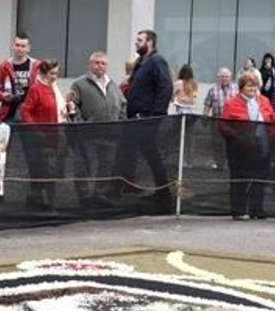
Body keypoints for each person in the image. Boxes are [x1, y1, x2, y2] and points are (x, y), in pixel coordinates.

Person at [116, 30, 173, 205]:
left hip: (146, 118)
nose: (136, 43)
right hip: (134, 117)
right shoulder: (140, 62)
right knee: (128, 152)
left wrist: (156, 114)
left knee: (151, 154)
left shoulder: (157, 61)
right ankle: (124, 186)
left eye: (140, 40)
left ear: (150, 42)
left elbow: (166, 87)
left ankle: (164, 194)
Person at [67, 50, 125, 208]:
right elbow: (73, 107)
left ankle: (100, 194)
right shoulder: (79, 84)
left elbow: (122, 104)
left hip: (111, 134)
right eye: (97, 63)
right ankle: (84, 196)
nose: (100, 66)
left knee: (106, 165)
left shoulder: (112, 84)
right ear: (90, 64)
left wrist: (120, 122)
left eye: (103, 63)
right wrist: (83, 124)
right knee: (84, 165)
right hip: (89, 134)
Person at [219, 70, 275, 220]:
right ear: (241, 87)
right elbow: (223, 125)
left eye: (255, 86)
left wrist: (272, 136)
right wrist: (237, 136)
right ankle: (238, 210)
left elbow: (271, 121)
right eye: (249, 86)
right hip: (239, 149)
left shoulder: (264, 101)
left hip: (262, 146)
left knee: (260, 178)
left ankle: (257, 209)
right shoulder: (231, 103)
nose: (252, 89)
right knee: (240, 179)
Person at [16, 58, 66, 210]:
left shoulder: (54, 88)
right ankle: (46, 201)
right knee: (44, 170)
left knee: (51, 171)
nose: (55, 76)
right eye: (52, 73)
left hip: (54, 135)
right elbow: (25, 111)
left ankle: (40, 199)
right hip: (41, 138)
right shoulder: (36, 89)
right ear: (44, 73)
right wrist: (36, 130)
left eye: (56, 73)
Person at [0, 33, 38, 122]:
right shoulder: (4, 66)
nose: (20, 49)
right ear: (13, 46)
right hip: (9, 113)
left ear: (28, 48)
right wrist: (2, 95)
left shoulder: (36, 66)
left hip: (30, 113)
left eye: (23, 46)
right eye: (17, 45)